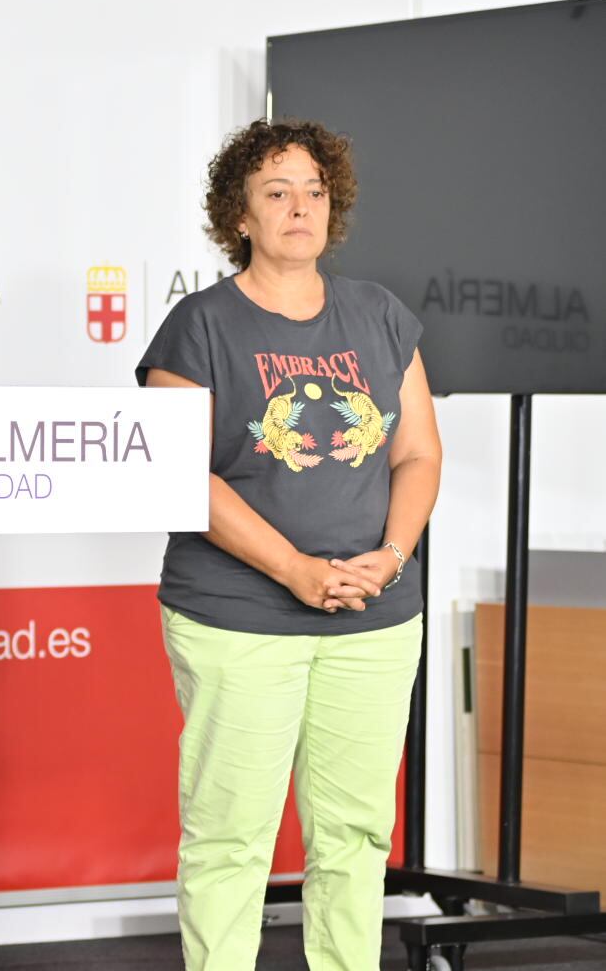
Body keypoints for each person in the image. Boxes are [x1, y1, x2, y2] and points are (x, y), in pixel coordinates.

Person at [137, 118, 442, 970]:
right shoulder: (197, 327)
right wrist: (296, 571)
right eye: (276, 192)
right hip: (239, 616)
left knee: (354, 835)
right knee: (231, 836)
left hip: (374, 617)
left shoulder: (381, 316)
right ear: (240, 215)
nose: (299, 207)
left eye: (313, 190)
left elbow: (417, 451)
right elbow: (179, 475)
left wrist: (391, 556)